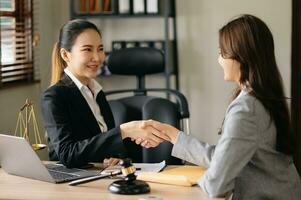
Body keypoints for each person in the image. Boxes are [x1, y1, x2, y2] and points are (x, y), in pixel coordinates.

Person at [140, 14, 301, 199]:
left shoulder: (246, 109)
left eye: (222, 53)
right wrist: (173, 135)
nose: (219, 60)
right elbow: (227, 156)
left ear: (241, 56)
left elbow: (217, 184)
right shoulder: (261, 96)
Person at [41, 19, 167, 168]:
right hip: (70, 184)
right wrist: (123, 132)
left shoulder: (96, 91)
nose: (97, 57)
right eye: (87, 49)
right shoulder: (54, 97)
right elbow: (67, 154)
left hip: (98, 176)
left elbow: (101, 144)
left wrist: (114, 157)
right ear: (66, 55)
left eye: (100, 49)